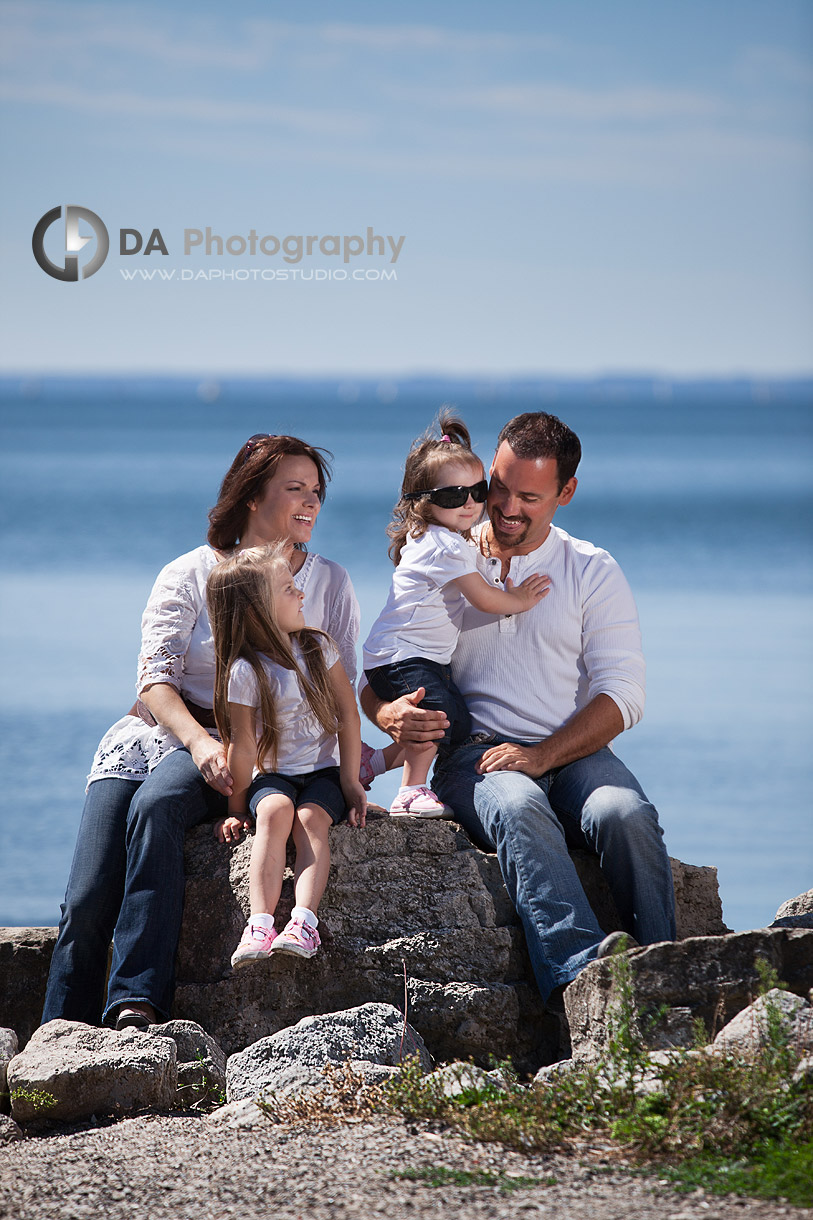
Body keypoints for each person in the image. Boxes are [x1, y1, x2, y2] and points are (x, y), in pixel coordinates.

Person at [42, 434, 360, 1031]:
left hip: (249, 748)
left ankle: (135, 1004)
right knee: (86, 894)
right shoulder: (189, 571)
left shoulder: (329, 583)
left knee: (158, 807)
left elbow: (341, 691)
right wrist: (197, 740)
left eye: (316, 493)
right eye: (295, 489)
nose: (310, 504)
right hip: (163, 733)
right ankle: (57, 1036)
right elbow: (153, 681)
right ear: (249, 497)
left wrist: (363, 759)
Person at [361, 411, 676, 1004]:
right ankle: (583, 981)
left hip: (572, 751)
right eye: (495, 488)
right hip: (471, 755)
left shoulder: (591, 569)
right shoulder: (442, 555)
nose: (504, 507)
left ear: (565, 493)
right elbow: (385, 666)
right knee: (520, 806)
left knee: (624, 814)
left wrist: (542, 754)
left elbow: (623, 696)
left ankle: (666, 976)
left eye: (528, 496)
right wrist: (385, 717)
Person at [363, 412, 549, 817]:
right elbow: (483, 599)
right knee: (436, 718)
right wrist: (519, 599)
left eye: (477, 491)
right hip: (404, 656)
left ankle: (372, 764)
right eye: (452, 496)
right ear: (424, 501)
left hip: (398, 656)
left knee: (455, 725)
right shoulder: (445, 547)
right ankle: (410, 792)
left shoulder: (433, 537)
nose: (469, 503)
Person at [207, 545, 366, 966]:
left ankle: (303, 922)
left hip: (323, 773)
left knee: (311, 819)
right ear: (259, 609)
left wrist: (350, 782)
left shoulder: (318, 648)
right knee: (274, 812)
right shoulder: (245, 671)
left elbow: (349, 716)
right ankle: (259, 925)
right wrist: (237, 808)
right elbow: (240, 746)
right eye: (289, 590)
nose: (301, 596)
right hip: (273, 775)